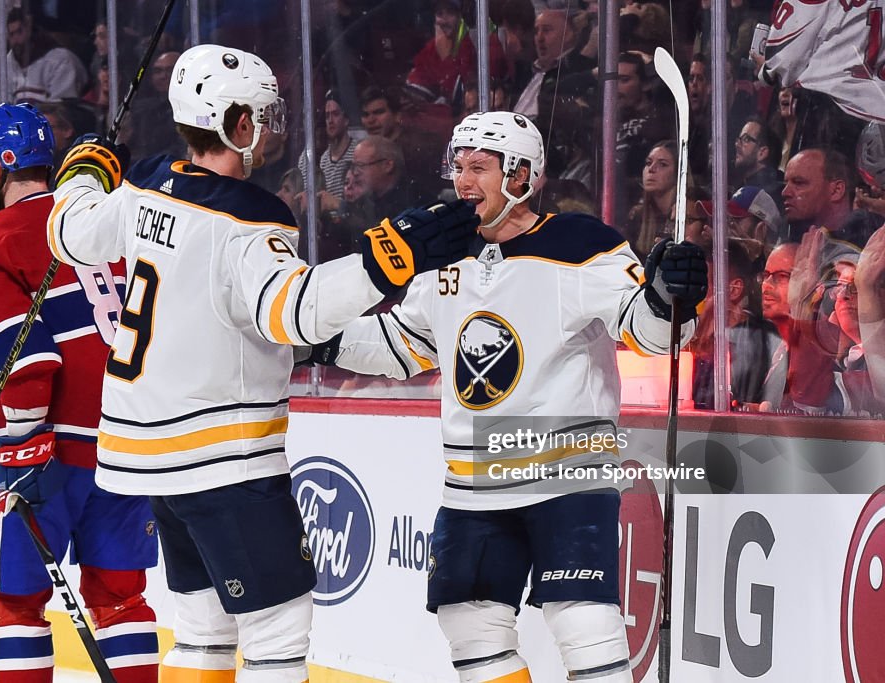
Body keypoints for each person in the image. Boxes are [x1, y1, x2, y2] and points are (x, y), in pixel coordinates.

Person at [45, 44, 478, 682]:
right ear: (235, 123)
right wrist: (389, 254)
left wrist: (83, 170)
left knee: (200, 633)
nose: (270, 128)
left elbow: (70, 233)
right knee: (276, 633)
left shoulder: (142, 185)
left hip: (149, 455)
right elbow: (290, 314)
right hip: (225, 456)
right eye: (262, 114)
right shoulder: (249, 218)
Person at [307, 110, 707, 683]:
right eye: (459, 166)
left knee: (583, 625)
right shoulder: (445, 252)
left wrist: (671, 299)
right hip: (471, 485)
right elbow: (404, 344)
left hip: (566, 475)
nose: (463, 181)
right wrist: (319, 339)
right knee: (468, 626)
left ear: (522, 176)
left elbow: (644, 329)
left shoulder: (581, 244)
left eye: (480, 168)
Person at [0, 102, 160, 682]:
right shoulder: (99, 219)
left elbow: (28, 363)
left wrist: (21, 451)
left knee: (16, 604)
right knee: (121, 598)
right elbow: (80, 305)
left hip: (47, 451)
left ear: (0, 166)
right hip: (128, 440)